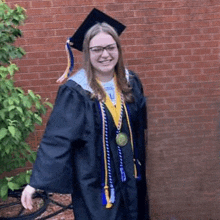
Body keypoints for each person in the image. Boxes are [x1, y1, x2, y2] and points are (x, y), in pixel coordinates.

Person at [21, 8, 149, 220]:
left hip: (131, 176)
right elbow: (57, 138)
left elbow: (140, 128)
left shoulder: (131, 82)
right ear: (87, 53)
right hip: (96, 181)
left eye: (110, 47)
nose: (105, 55)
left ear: (118, 48)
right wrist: (36, 182)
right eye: (97, 49)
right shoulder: (76, 91)